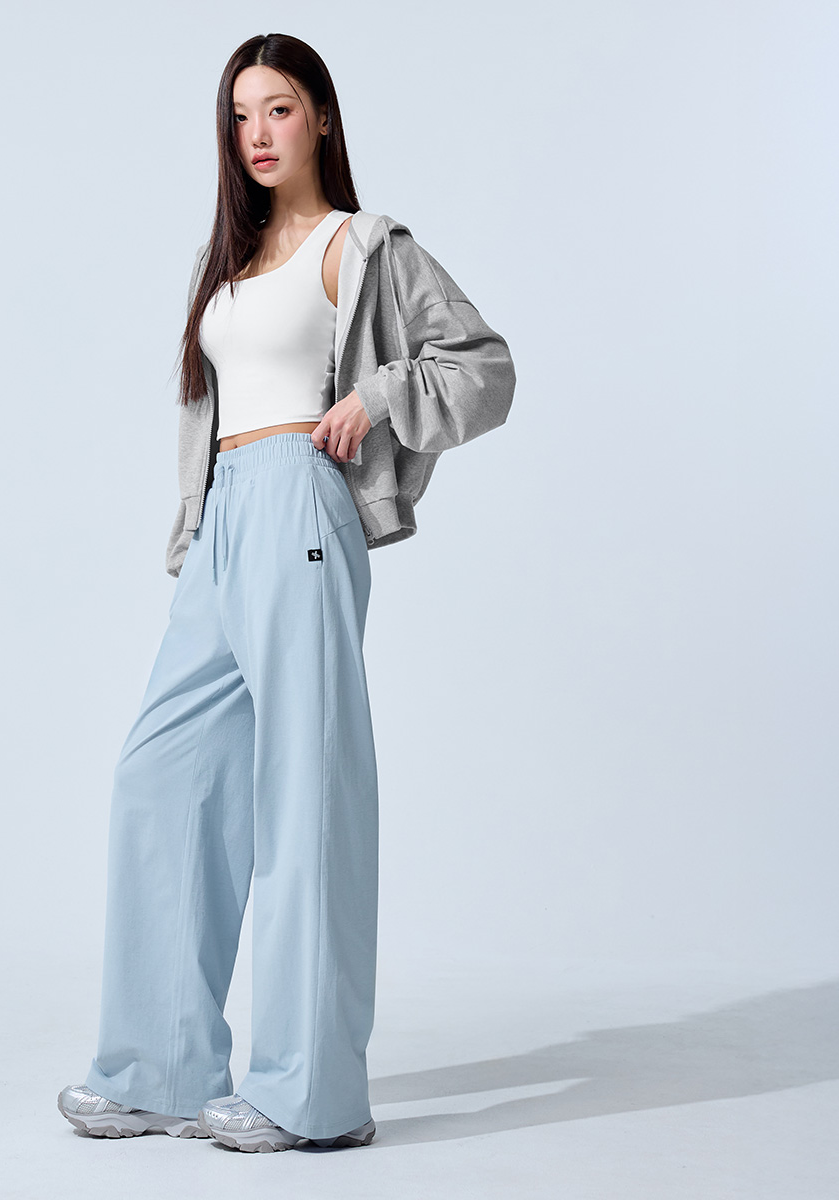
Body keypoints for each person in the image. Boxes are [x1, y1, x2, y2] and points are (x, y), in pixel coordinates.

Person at [58, 32, 516, 1154]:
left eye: (278, 108)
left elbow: (483, 366)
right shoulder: (228, 260)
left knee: (307, 792)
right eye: (240, 115)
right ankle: (161, 1069)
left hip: (304, 506)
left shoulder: (363, 245)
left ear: (321, 117)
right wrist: (199, 524)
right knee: (162, 778)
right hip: (224, 521)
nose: (257, 133)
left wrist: (379, 395)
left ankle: (310, 1097)